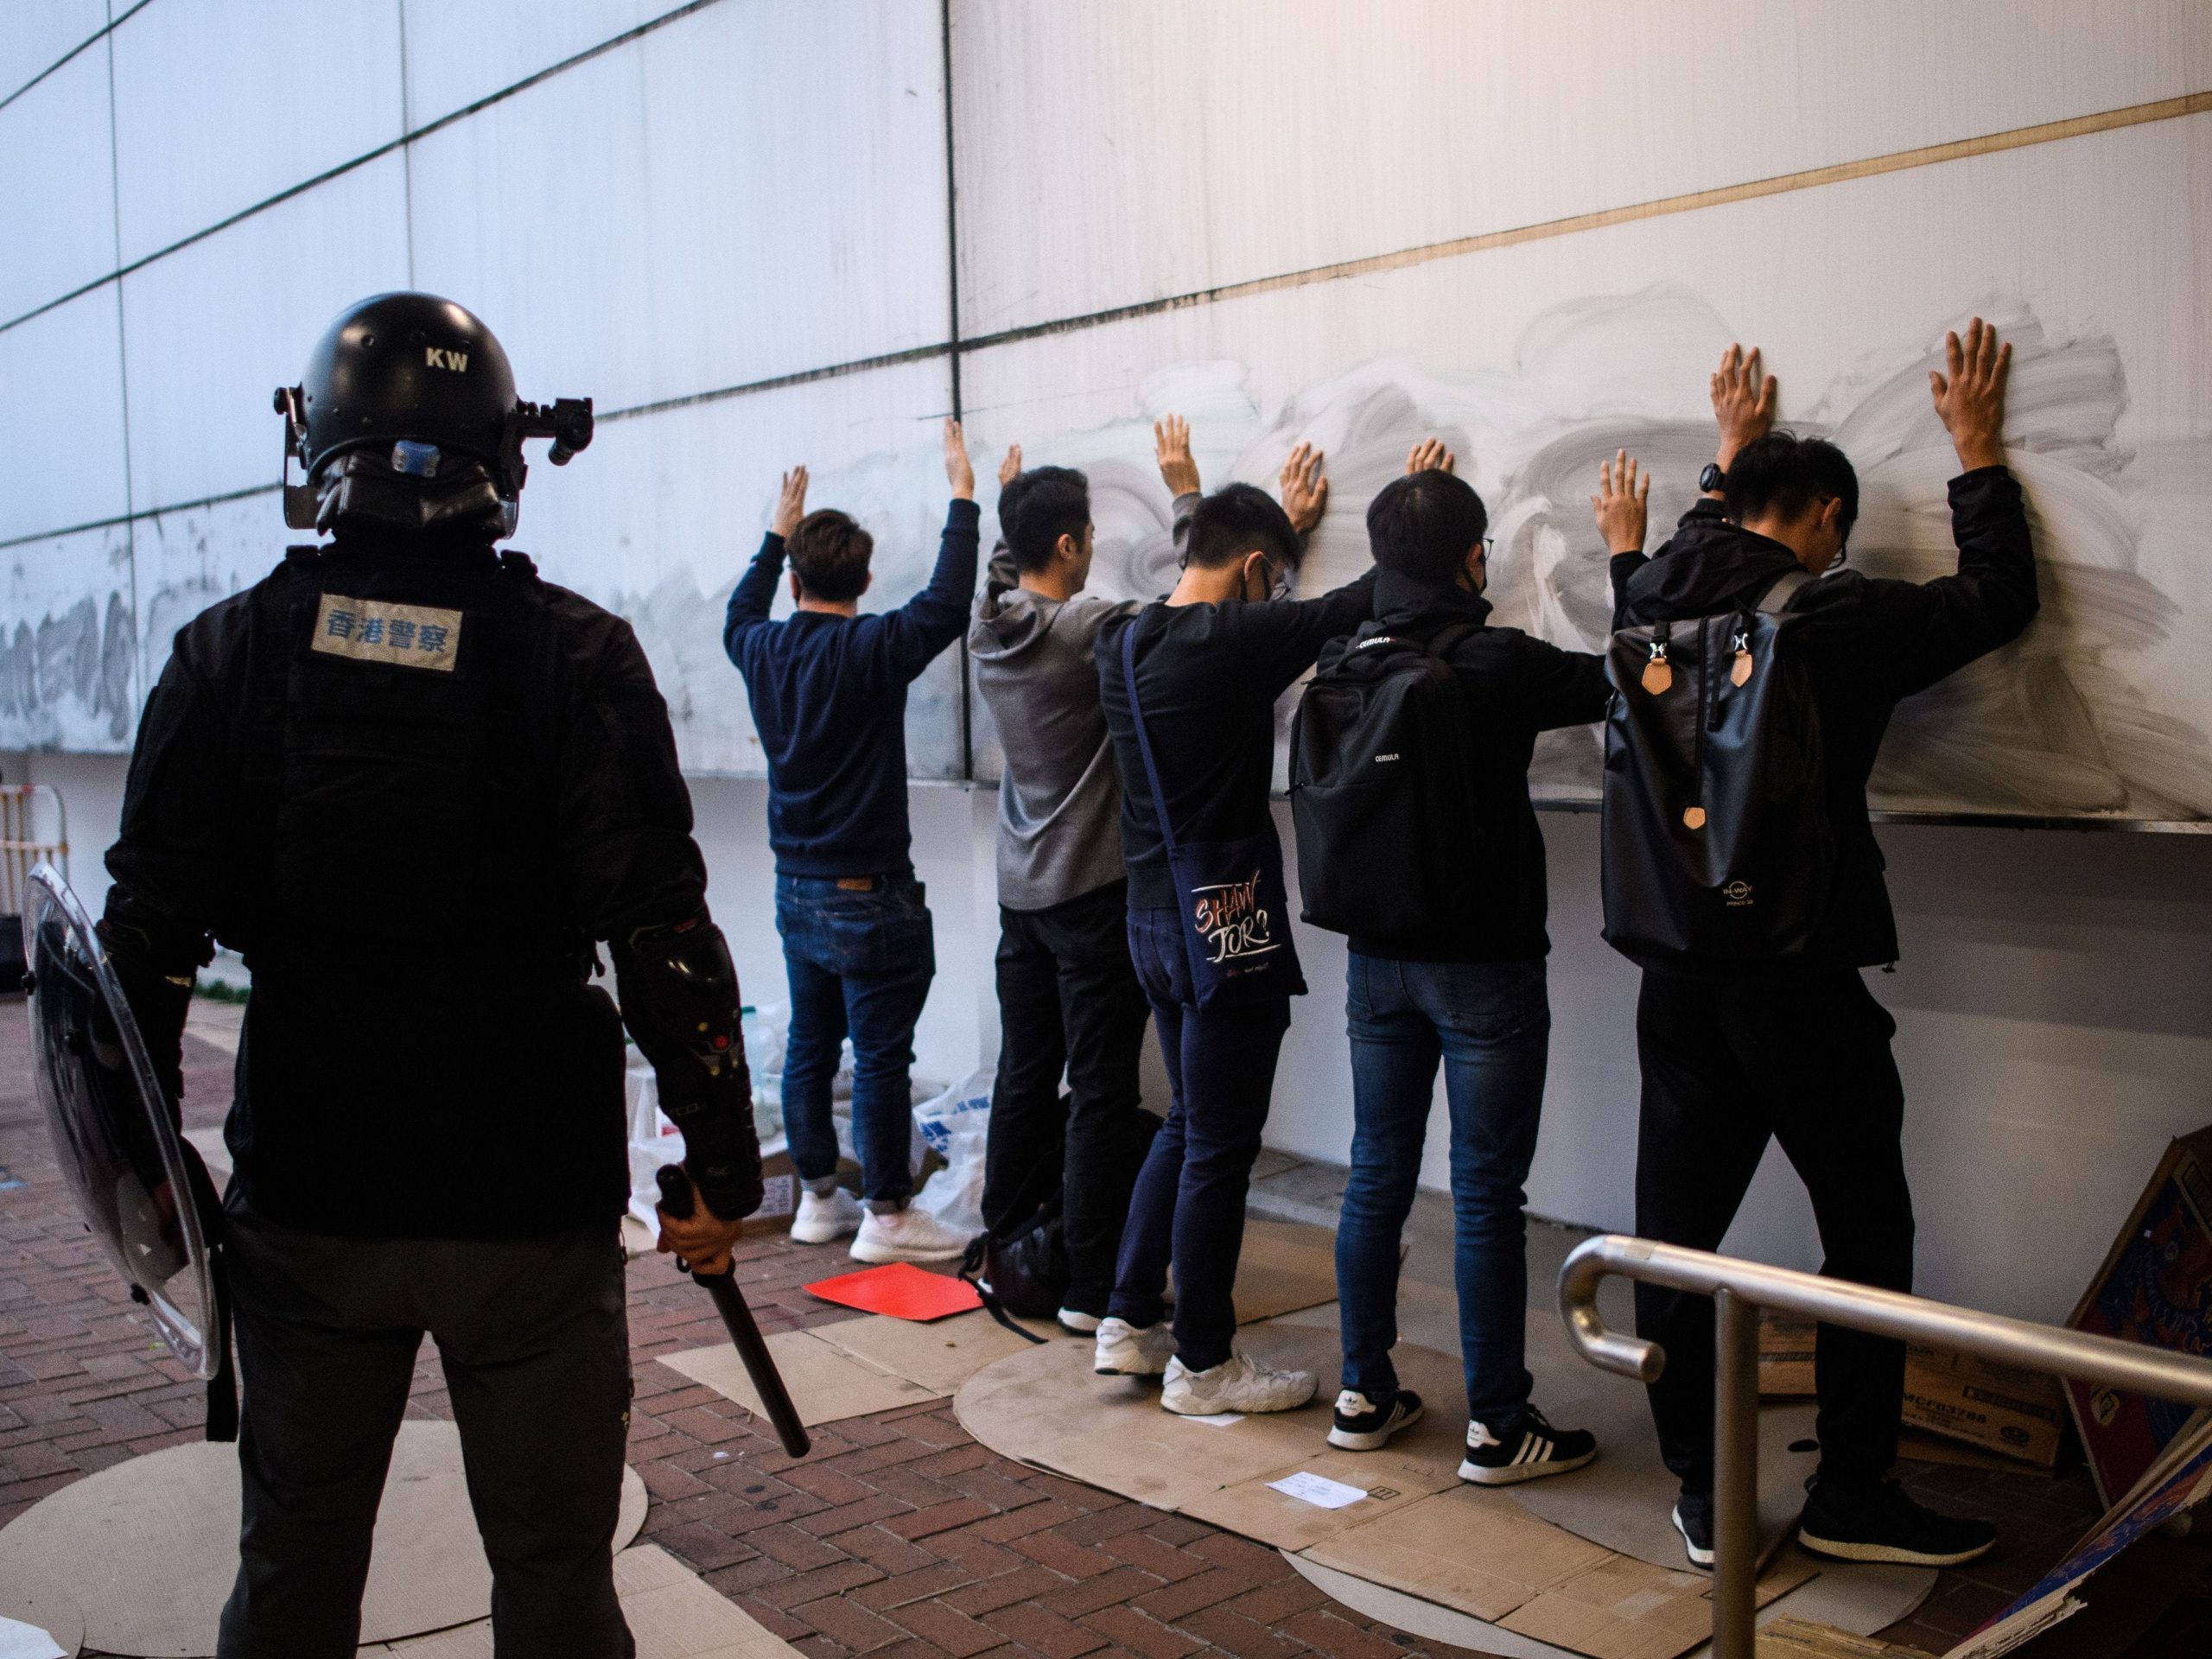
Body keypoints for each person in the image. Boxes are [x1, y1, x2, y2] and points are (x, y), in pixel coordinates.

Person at [99, 292, 761, 1658]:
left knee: (293, 1565)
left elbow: (140, 947)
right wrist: (719, 1167)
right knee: (556, 1578)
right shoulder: (576, 656)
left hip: (309, 1198)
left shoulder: (227, 652)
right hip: (527, 1206)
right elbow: (664, 932)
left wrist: (145, 1173)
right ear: (505, 457)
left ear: (316, 446)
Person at [1600, 322, 2037, 1570]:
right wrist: (1979, 455)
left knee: (1670, 1244)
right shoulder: (1834, 616)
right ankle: (1853, 1493)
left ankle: (1702, 1490)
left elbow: (1688, 555)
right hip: (1798, 979)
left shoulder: (1644, 598)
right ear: (1831, 516)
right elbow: (2000, 599)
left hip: (1674, 975)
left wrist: (1723, 451)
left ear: (1729, 502)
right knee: (1863, 1230)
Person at [1322, 441, 1611, 1480]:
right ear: (1473, 561)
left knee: (1373, 1177)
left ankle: (1363, 1393)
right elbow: (1628, 681)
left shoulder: (1347, 661)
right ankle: (1496, 1425)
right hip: (1483, 964)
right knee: (1486, 1194)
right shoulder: (1498, 663)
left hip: (1372, 961)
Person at [1090, 418, 1370, 1414]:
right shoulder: (1228, 643)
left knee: (1190, 1123)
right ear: (1255, 569)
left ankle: (1128, 1318)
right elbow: (1358, 604)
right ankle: (1203, 1364)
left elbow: (1213, 573)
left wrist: (1243, 525)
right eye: (1271, 577)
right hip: (1228, 923)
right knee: (1220, 1141)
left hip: (1151, 917)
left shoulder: (1125, 637)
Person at [723, 422, 978, 1264]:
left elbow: (737, 611)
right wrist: (963, 496)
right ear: (866, 579)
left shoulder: (759, 649)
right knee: (878, 1057)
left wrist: (772, 531)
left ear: (794, 578)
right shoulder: (872, 647)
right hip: (867, 891)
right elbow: (944, 603)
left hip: (794, 887)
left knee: (810, 1044)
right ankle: (889, 1217)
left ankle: (819, 1202)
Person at [969, 446, 1154, 1332]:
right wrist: (1189, 494)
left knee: (1026, 1071)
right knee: (1101, 1087)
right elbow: (1190, 614)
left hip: (1022, 894)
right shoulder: (1084, 626)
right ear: (1075, 545)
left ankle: (1006, 1246)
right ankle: (1086, 1287)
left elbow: (1009, 566)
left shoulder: (989, 627)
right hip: (1088, 894)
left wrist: (1008, 504)